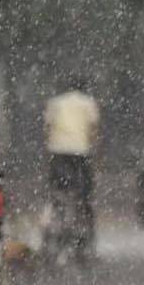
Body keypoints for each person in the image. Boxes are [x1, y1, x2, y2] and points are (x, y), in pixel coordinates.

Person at [43, 90, 100, 259]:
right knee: (84, 196)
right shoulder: (88, 102)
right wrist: (94, 150)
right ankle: (83, 229)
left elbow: (47, 128)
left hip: (58, 152)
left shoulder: (55, 102)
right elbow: (94, 129)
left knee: (58, 194)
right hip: (81, 153)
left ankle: (58, 225)